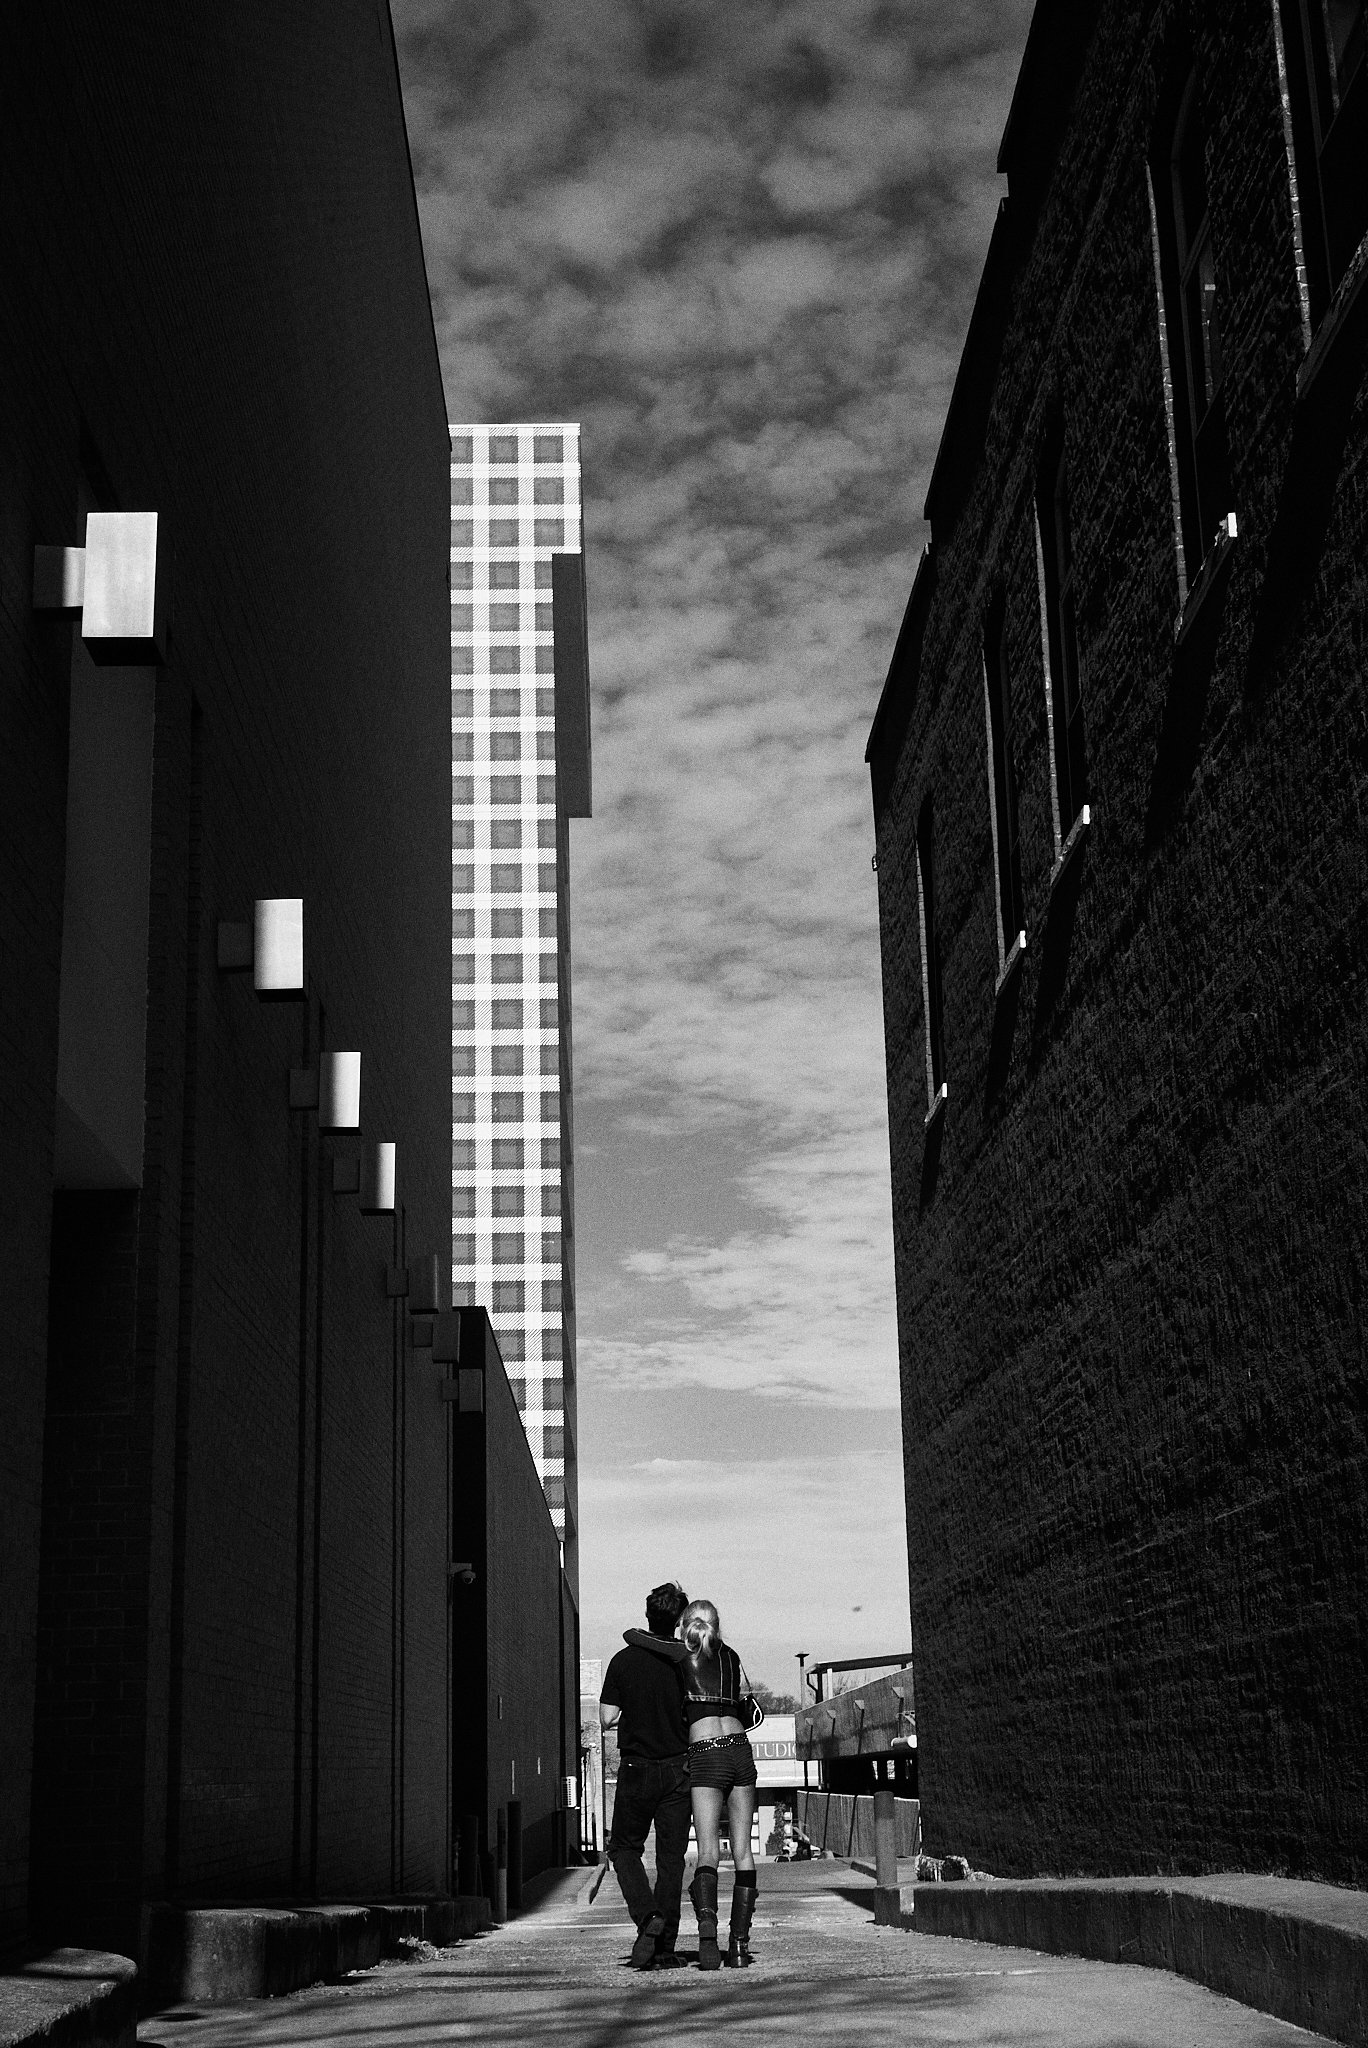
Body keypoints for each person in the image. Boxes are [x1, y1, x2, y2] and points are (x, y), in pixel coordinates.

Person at [599, 1580, 692, 1969]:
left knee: (624, 1848)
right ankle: (666, 1948)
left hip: (637, 1767)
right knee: (671, 1859)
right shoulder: (686, 1663)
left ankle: (646, 1917)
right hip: (678, 1768)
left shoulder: (623, 1660)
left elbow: (606, 1716)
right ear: (679, 1621)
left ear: (648, 1615)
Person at [680, 1597, 759, 1969]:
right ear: (717, 1624)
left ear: (687, 1625)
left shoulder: (680, 1658)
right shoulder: (731, 1657)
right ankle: (740, 1946)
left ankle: (708, 1934)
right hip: (740, 1748)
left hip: (706, 1751)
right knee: (743, 1852)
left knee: (708, 1850)